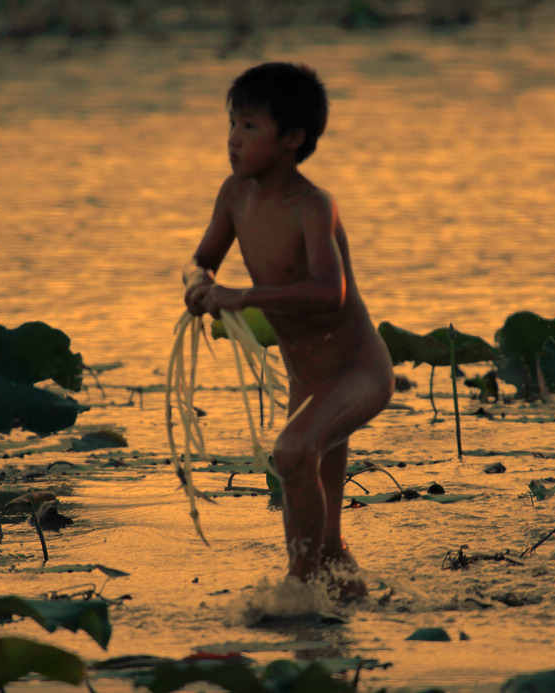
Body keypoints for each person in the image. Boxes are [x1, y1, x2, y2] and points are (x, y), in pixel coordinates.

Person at [183, 62, 394, 599]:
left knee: (293, 451)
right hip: (306, 378)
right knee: (323, 527)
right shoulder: (235, 195)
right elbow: (201, 260)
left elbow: (331, 293)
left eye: (249, 127)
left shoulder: (313, 206)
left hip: (356, 371)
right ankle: (341, 591)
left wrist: (242, 295)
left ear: (293, 139)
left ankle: (298, 592)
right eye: (231, 124)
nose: (233, 139)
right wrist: (197, 286)